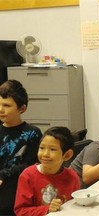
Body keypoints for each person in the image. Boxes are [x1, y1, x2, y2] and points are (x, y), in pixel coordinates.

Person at [14, 126, 80, 215]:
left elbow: (75, 205)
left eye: (52, 149)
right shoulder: (28, 176)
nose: (45, 154)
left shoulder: (72, 177)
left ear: (67, 155)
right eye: (42, 148)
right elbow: (21, 211)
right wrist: (47, 209)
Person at [0, 80, 42, 215]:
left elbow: (31, 164)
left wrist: (3, 175)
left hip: (18, 188)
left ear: (22, 109)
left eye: (6, 105)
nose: (1, 109)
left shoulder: (32, 133)